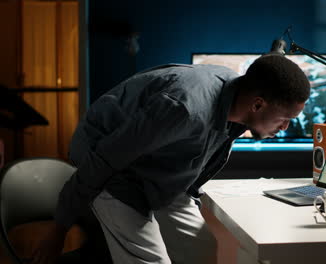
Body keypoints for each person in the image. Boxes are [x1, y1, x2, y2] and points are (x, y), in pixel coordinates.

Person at [32, 54, 310, 264]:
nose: (285, 128)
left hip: (154, 162)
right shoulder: (185, 109)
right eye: (285, 119)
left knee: (200, 249)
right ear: (257, 104)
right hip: (110, 168)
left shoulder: (237, 99)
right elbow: (104, 159)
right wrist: (58, 229)